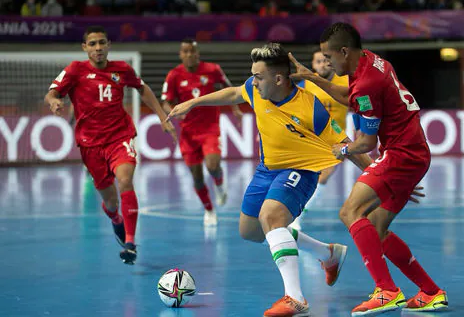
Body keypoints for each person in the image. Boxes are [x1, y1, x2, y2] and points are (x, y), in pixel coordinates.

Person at [167, 43, 374, 317]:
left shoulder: (311, 107)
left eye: (259, 76)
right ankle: (328, 253)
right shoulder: (255, 89)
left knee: (271, 216)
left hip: (301, 169)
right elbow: (233, 93)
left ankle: (296, 299)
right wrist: (194, 102)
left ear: (278, 78)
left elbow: (347, 143)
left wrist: (380, 174)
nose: (253, 81)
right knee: (250, 231)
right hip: (267, 170)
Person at [289, 22, 448, 316]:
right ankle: (430, 292)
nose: (327, 62)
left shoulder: (366, 84)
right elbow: (349, 97)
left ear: (345, 51)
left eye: (328, 57)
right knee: (376, 227)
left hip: (401, 155)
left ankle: (386, 291)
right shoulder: (371, 62)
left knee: (350, 212)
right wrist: (313, 78)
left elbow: (366, 142)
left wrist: (342, 149)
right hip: (412, 153)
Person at [44, 25, 177, 265]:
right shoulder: (75, 70)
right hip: (90, 145)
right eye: (92, 44)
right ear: (85, 48)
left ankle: (130, 242)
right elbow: (52, 93)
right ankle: (116, 218)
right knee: (110, 201)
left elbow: (142, 88)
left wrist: (161, 117)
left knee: (126, 179)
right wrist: (54, 102)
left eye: (102, 43)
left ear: (109, 45)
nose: (98, 48)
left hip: (120, 136)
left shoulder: (122, 69)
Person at [161, 38, 243, 226]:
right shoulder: (174, 75)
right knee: (197, 178)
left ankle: (220, 185)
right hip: (188, 133)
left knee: (213, 165)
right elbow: (165, 101)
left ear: (198, 53)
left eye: (193, 51)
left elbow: (229, 89)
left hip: (210, 129)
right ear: (180, 54)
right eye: (186, 52)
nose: (190, 55)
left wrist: (236, 109)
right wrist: (172, 113)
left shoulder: (213, 69)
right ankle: (209, 210)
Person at [290, 48, 349, 230]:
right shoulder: (305, 85)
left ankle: (298, 216)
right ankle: (292, 211)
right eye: (318, 62)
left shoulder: (346, 80)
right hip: (310, 138)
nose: (322, 64)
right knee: (303, 177)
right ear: (313, 65)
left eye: (325, 60)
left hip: (335, 139)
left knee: (324, 176)